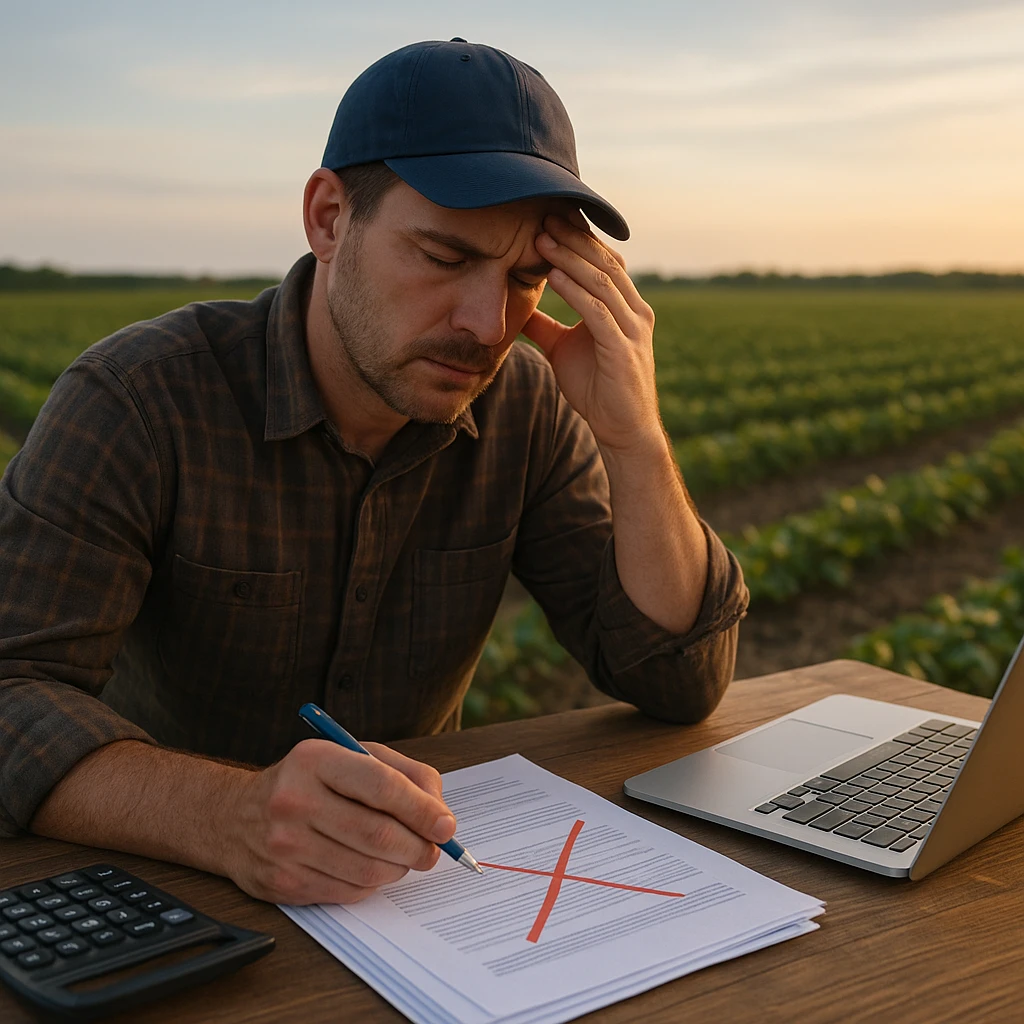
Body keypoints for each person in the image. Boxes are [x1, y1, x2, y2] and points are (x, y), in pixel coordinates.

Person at [0, 40, 747, 905]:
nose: (486, 322)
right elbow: (12, 693)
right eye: (444, 257)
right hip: (169, 892)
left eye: (527, 278)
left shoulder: (527, 408)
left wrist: (636, 441)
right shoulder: (139, 399)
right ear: (328, 217)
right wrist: (230, 811)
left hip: (411, 901)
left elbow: (677, 679)